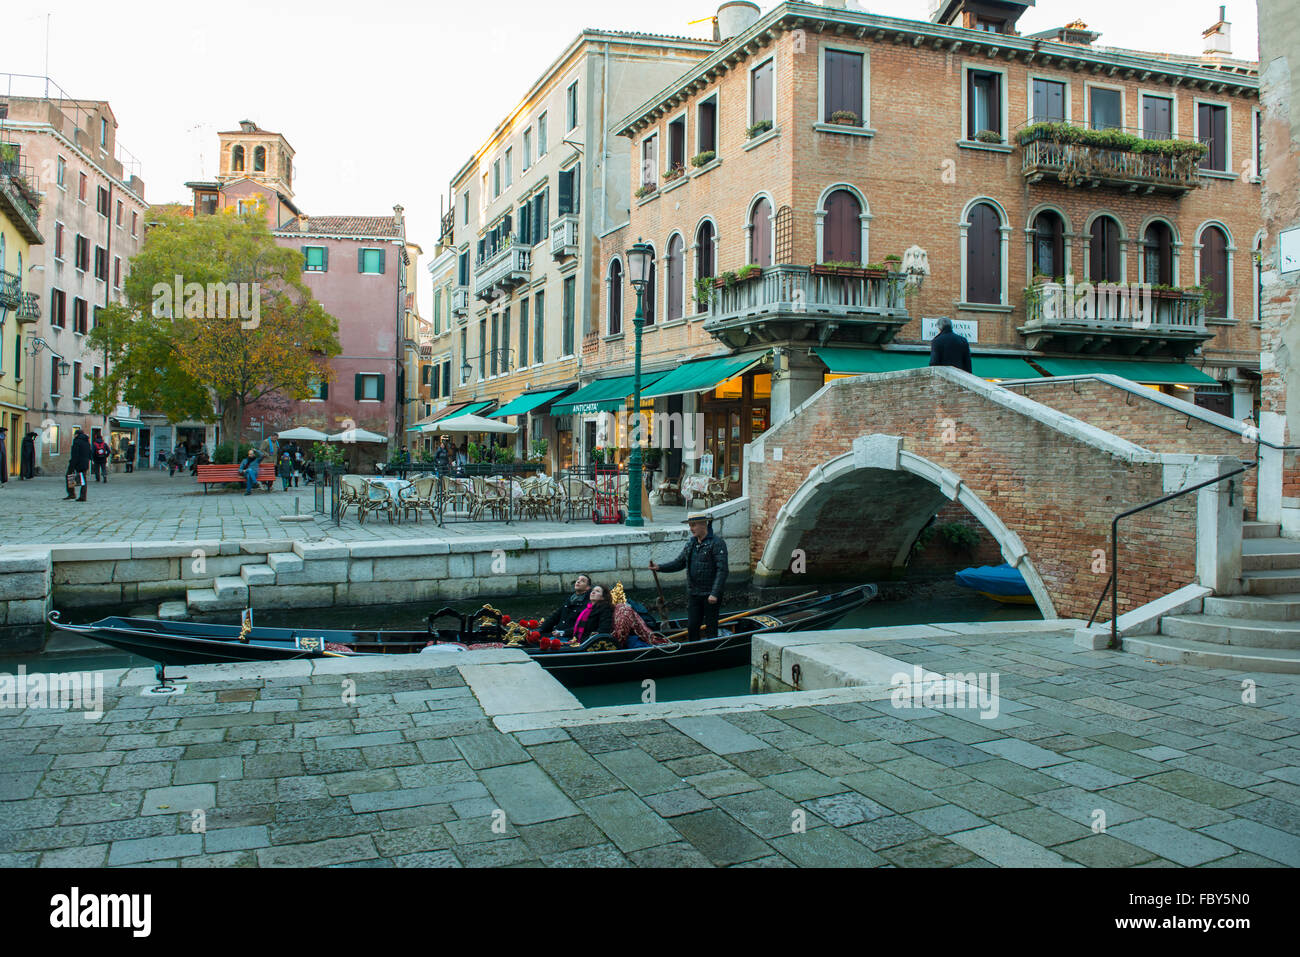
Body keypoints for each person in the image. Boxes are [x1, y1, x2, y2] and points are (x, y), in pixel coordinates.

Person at [649, 513, 728, 641]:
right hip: (694, 593)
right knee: (692, 626)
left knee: (711, 627)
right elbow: (679, 563)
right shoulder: (691, 543)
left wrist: (715, 593)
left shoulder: (717, 543)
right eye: (690, 525)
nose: (691, 528)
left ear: (703, 524)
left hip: (710, 595)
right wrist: (660, 568)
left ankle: (711, 651)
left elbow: (722, 570)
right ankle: (693, 651)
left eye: (693, 525)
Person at [65, 427, 91, 502]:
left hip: (78, 463)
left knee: (69, 476)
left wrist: (72, 465)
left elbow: (75, 455)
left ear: (76, 435)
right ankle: (82, 495)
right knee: (83, 480)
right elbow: (90, 453)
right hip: (85, 463)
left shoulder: (76, 442)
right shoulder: (87, 442)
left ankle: (73, 494)